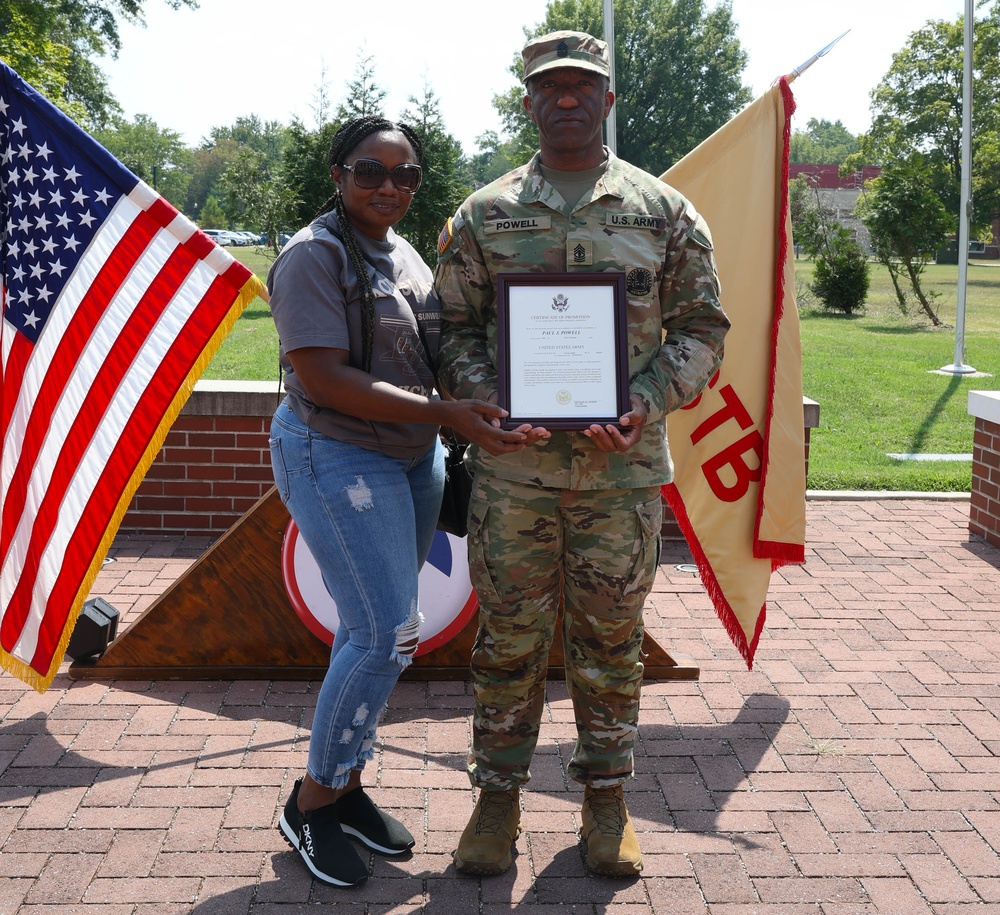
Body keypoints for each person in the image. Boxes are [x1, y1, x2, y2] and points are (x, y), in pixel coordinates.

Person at [432, 31, 731, 877]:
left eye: (582, 87)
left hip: (620, 476)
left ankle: (607, 802)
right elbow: (450, 327)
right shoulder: (485, 214)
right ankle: (496, 800)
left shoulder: (662, 212)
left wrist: (647, 399)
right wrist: (485, 400)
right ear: (527, 101)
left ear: (606, 100)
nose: (565, 99)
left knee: (611, 639)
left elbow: (705, 329)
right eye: (549, 87)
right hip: (514, 476)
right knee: (507, 640)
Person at [267, 116, 529, 888]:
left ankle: (344, 786)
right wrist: (448, 414)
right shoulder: (313, 256)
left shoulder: (404, 251)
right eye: (370, 171)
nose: (389, 186)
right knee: (386, 633)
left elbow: (438, 350)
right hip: (337, 451)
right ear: (337, 173)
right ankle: (312, 801)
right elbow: (324, 377)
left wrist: (511, 388)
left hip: (412, 459)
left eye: (404, 175)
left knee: (373, 629)